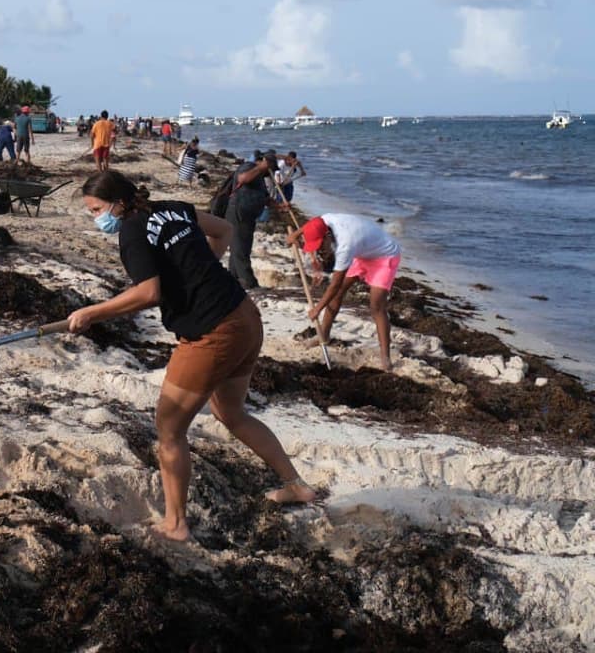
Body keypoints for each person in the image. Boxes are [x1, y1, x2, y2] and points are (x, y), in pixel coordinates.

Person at [68, 170, 315, 541]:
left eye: (97, 209)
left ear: (118, 203)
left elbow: (148, 293)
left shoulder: (132, 232)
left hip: (212, 334)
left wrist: (92, 313)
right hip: (245, 316)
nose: (95, 218)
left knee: (168, 430)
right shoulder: (173, 208)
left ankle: (176, 524)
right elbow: (225, 232)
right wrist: (200, 272)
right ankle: (296, 485)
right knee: (230, 412)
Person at [290, 214, 402, 371]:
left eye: (321, 244)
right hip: (363, 252)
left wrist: (317, 308)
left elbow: (334, 284)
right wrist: (295, 234)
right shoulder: (326, 220)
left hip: (385, 255)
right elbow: (312, 223)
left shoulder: (345, 246)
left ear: (327, 235)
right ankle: (324, 335)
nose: (320, 249)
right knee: (338, 293)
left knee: (376, 306)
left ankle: (385, 358)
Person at [226, 150, 278, 290]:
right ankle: (249, 283)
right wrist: (262, 167)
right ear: (264, 162)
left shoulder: (260, 177)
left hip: (249, 216)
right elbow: (242, 179)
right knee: (240, 248)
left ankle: (232, 279)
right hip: (238, 212)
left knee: (241, 247)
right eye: (271, 167)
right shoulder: (249, 167)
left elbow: (266, 198)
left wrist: (280, 206)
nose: (270, 171)